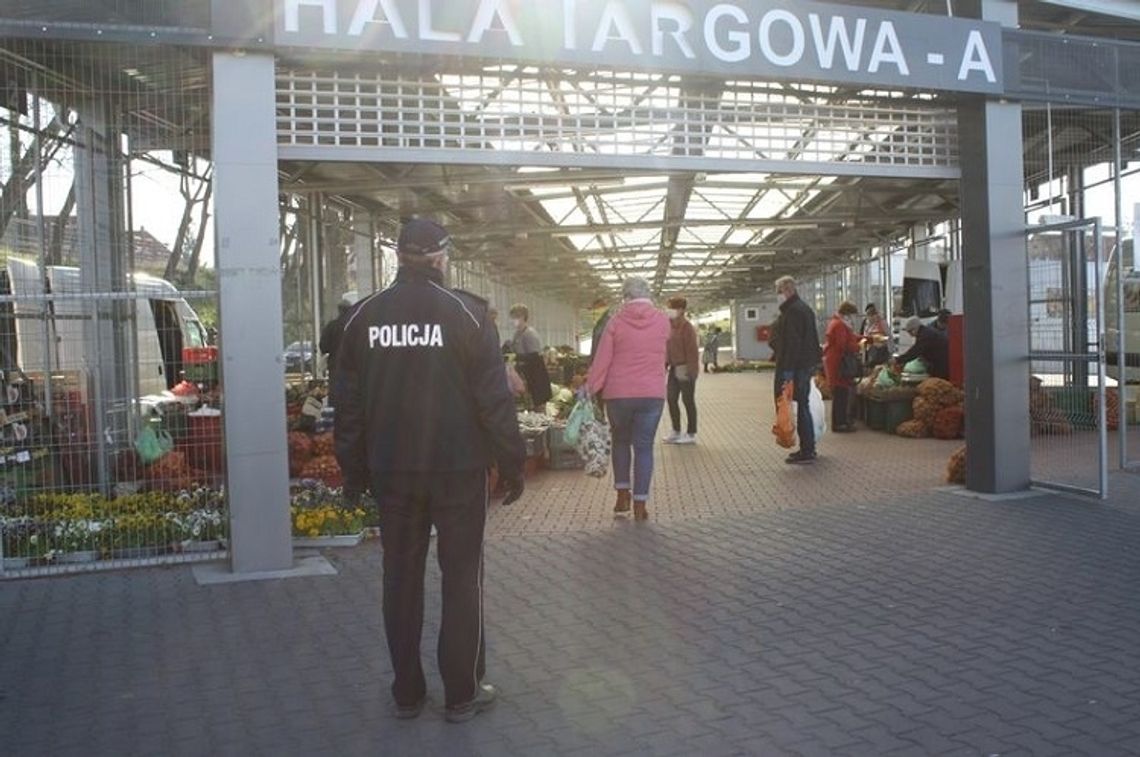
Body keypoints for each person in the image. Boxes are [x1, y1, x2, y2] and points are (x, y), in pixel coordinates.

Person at [334, 218, 526, 724]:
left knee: (400, 578)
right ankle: (462, 692)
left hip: (393, 472)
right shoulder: (468, 315)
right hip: (458, 470)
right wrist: (512, 463)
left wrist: (354, 474)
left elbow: (347, 409)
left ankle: (407, 692)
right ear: (442, 257)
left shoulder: (363, 319)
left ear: (398, 256)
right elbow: (494, 401)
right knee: (462, 578)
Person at [586, 277, 670, 521]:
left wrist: (592, 388)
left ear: (626, 297)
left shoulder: (616, 322)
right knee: (644, 448)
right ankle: (640, 505)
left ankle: (622, 494)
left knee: (621, 442)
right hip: (652, 394)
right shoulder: (663, 321)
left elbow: (602, 360)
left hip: (619, 394)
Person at [774, 276, 822, 464]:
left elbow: (793, 343)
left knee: (802, 406)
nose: (778, 296)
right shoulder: (804, 308)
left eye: (779, 292)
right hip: (806, 363)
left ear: (787, 290)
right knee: (803, 405)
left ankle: (807, 449)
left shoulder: (793, 312)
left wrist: (787, 371)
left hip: (798, 366)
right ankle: (808, 447)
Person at [663, 296, 700, 445]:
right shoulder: (669, 325)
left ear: (681, 310)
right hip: (673, 367)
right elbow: (666, 347)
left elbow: (692, 351)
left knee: (688, 400)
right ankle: (676, 430)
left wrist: (692, 371)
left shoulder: (687, 327)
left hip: (685, 367)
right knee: (671, 398)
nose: (669, 311)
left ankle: (691, 433)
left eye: (672, 308)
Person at [823, 302, 862, 432]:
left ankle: (840, 422)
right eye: (852, 315)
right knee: (841, 394)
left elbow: (849, 337)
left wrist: (866, 338)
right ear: (847, 313)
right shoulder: (840, 325)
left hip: (835, 361)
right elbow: (842, 344)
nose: (852, 318)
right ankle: (840, 424)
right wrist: (858, 347)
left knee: (840, 393)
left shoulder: (836, 323)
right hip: (839, 363)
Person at [507, 303, 553, 410]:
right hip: (526, 375)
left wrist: (517, 356)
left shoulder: (530, 333)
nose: (513, 320)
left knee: (538, 408)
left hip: (536, 377)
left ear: (522, 317)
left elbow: (535, 357)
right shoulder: (517, 334)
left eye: (515, 317)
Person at [319, 291, 359, 385]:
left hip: (335, 368)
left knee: (337, 396)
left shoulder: (331, 326)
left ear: (339, 310)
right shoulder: (356, 326)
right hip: (353, 369)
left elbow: (323, 347)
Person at [894, 315, 950, 379]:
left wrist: (899, 360)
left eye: (909, 331)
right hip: (940, 362)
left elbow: (915, 351)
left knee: (938, 382)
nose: (910, 334)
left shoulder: (925, 335)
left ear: (914, 329)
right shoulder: (925, 332)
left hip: (941, 363)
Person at [860, 304, 891, 368]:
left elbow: (889, 338)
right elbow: (863, 338)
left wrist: (879, 340)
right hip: (870, 352)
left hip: (881, 352)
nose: (871, 318)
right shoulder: (866, 324)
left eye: (873, 315)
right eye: (868, 316)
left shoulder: (882, 323)